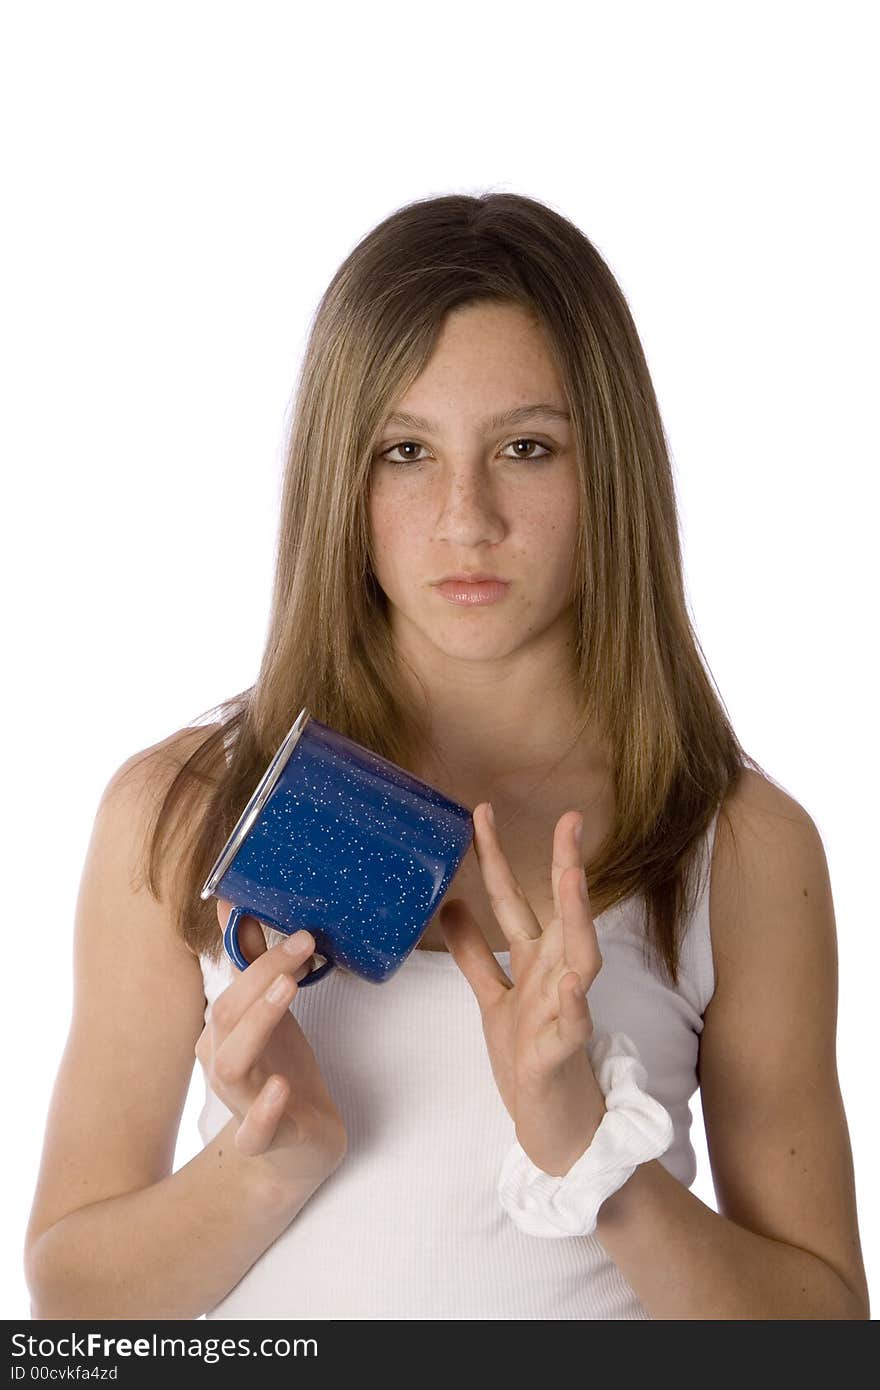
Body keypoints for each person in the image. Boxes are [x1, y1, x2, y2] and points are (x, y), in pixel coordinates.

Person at [23, 192, 869, 1321]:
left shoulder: (737, 846)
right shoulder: (183, 813)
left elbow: (821, 1330)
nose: (465, 517)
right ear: (341, 479)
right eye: (405, 451)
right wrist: (266, 1163)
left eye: (526, 448)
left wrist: (588, 1155)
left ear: (608, 469)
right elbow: (72, 1312)